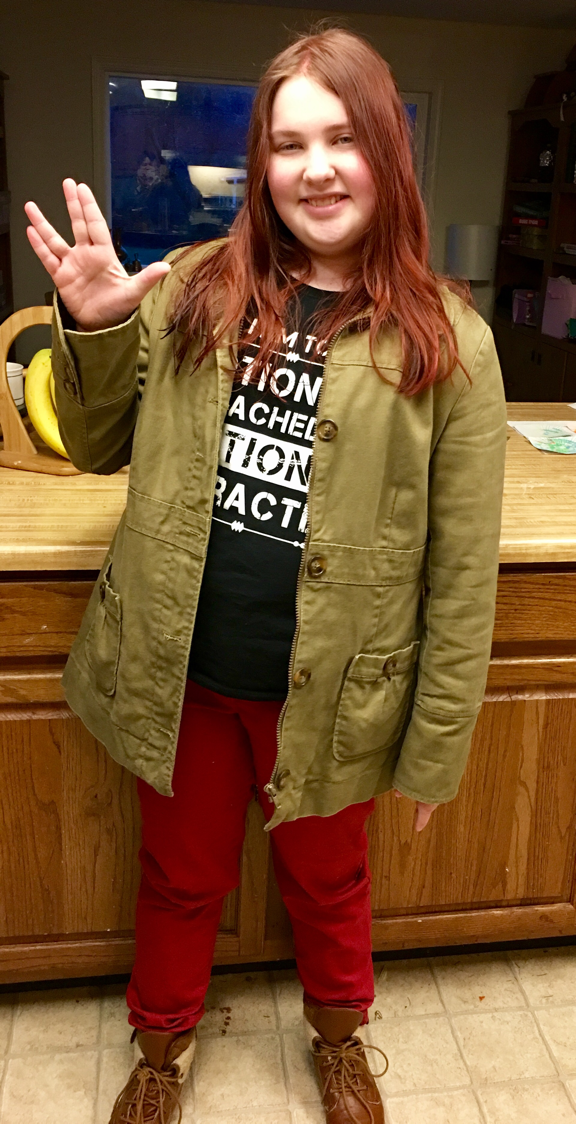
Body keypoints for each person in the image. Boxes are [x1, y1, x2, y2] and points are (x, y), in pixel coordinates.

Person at [24, 26, 507, 1124]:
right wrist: (97, 325)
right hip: (185, 675)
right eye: (289, 144)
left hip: (335, 696)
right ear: (261, 162)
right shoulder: (195, 286)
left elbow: (462, 573)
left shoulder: (452, 343)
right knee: (178, 877)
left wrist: (435, 751)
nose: (316, 167)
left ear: (386, 151)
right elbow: (96, 444)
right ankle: (161, 1048)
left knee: (330, 884)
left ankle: (339, 1040)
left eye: (343, 137)